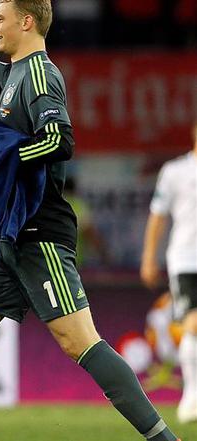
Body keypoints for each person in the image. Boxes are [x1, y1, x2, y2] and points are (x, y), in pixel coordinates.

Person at [0, 2, 181, 441]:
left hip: (38, 234)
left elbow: (59, 140)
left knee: (80, 342)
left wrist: (5, 158)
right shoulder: (15, 73)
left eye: (0, 18)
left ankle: (165, 439)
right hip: (7, 235)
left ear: (27, 21)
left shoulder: (40, 74)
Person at [141, 120, 197, 423]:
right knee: (194, 321)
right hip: (187, 260)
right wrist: (149, 257)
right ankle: (191, 396)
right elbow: (158, 216)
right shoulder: (175, 172)